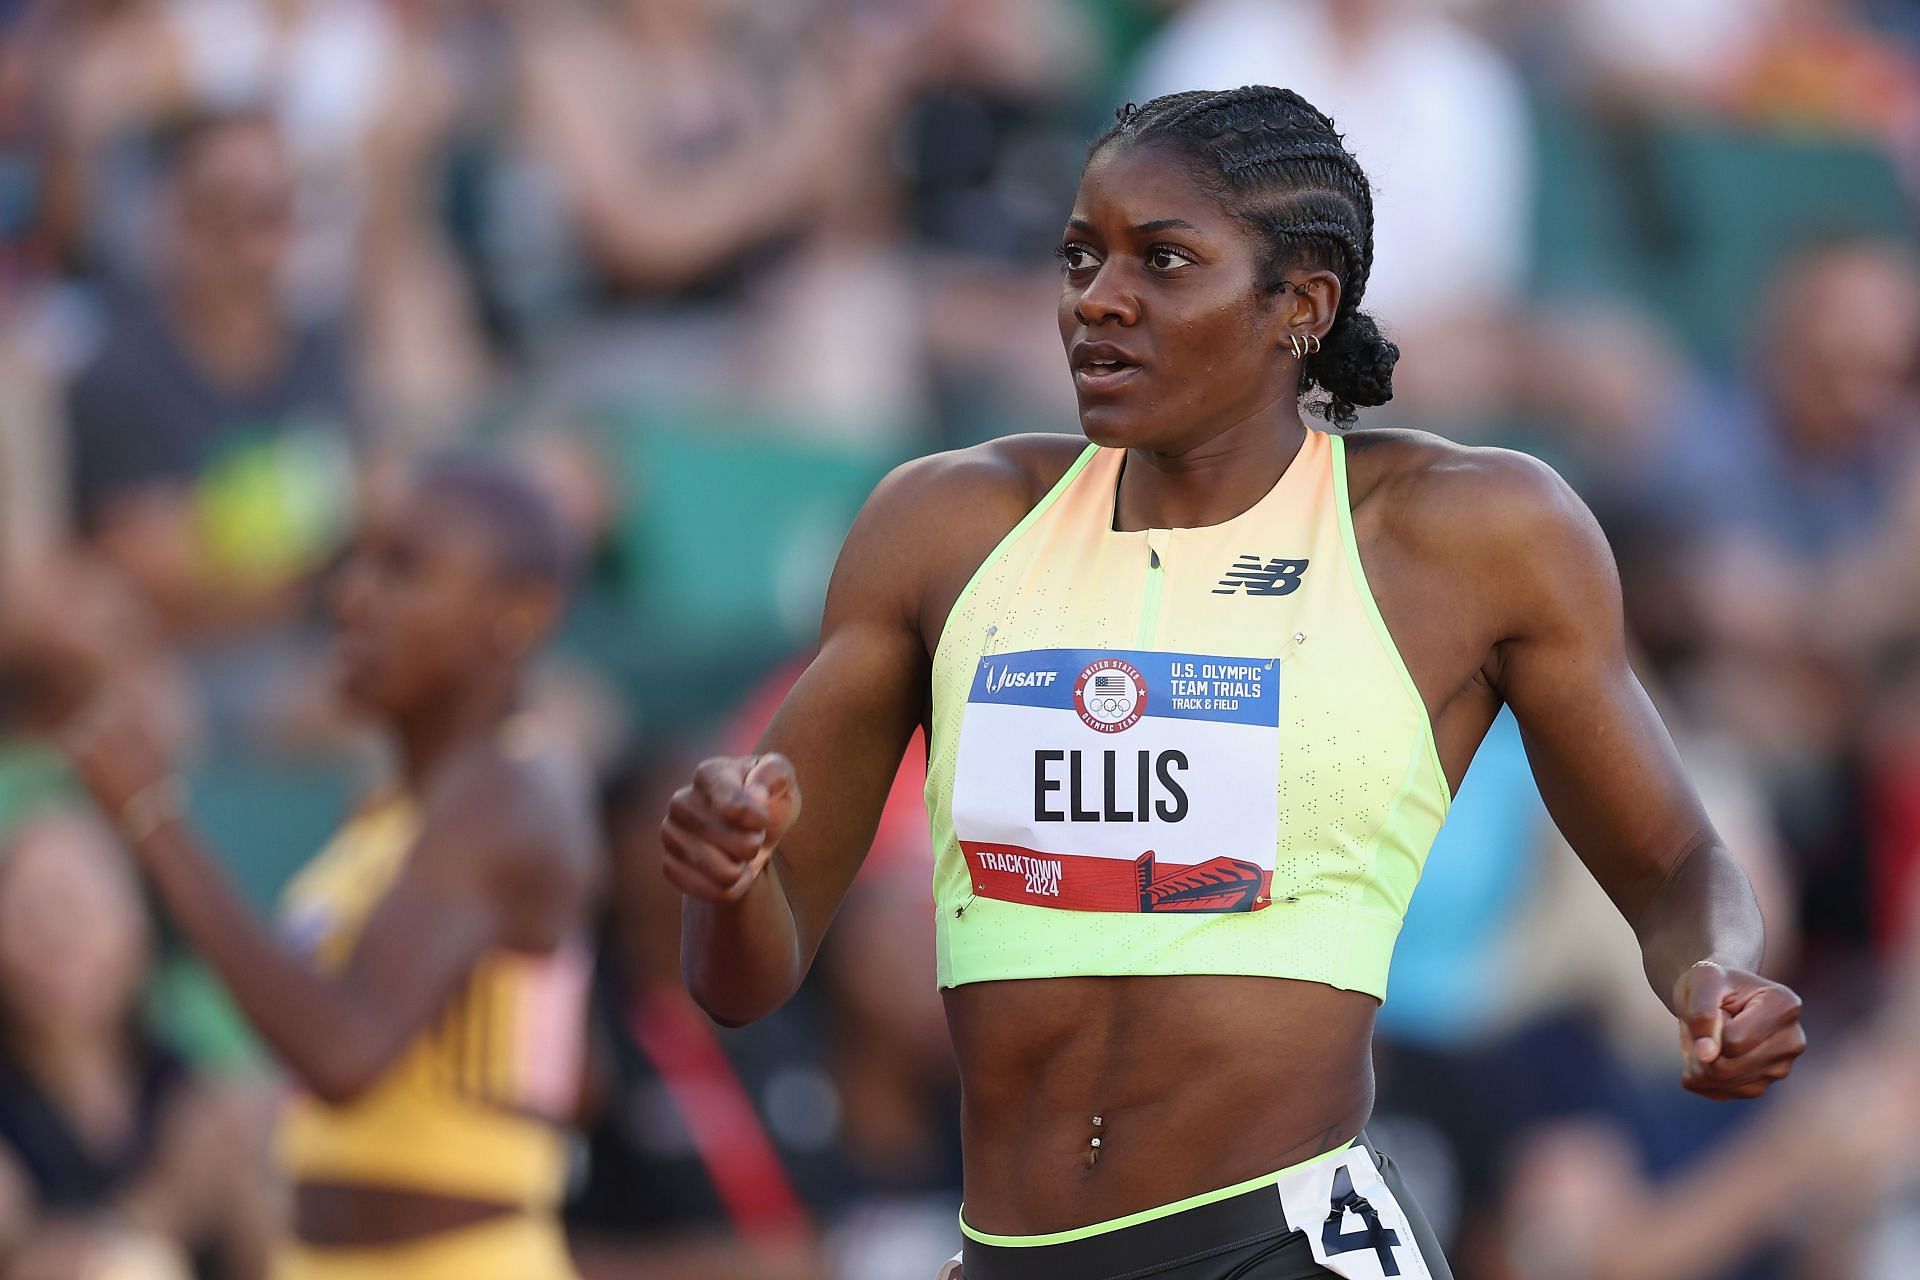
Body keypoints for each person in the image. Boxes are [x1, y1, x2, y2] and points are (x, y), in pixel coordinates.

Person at [660, 86, 1808, 1280]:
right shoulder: (942, 526)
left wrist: (1714, 969)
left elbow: (1676, 863)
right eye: (1078, 255)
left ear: (1300, 305)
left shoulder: (1467, 534)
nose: (1097, 297)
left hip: (1283, 1247)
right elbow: (745, 974)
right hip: (1012, 1254)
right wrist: (730, 874)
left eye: (1162, 260)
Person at [55, 453, 599, 1280]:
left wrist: (154, 824)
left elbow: (346, 1052)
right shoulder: (385, 813)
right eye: (355, 560)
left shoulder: (511, 794)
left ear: (519, 613)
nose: (351, 595)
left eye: (404, 569)